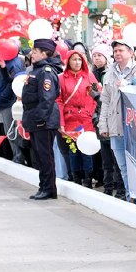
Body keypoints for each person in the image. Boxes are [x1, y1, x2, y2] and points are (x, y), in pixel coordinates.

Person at [97, 39, 136, 200]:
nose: (117, 53)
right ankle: (131, 197)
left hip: (135, 128)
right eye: (115, 51)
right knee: (123, 166)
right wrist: (103, 124)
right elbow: (106, 101)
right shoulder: (110, 72)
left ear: (130, 52)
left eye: (121, 50)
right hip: (115, 127)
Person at [23, 39, 63, 199]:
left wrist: (40, 119)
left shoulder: (46, 71)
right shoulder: (36, 70)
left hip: (43, 121)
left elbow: (47, 99)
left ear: (44, 53)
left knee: (45, 156)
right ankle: (43, 187)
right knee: (40, 155)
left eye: (35, 51)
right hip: (35, 118)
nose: (32, 54)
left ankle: (48, 189)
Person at [57, 50, 98, 185]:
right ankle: (76, 178)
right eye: (74, 59)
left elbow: (96, 97)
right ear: (68, 61)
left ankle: (87, 179)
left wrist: (90, 113)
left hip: (87, 119)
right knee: (73, 150)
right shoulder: (61, 78)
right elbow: (58, 101)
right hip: (70, 120)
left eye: (79, 59)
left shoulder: (89, 76)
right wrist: (61, 121)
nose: (77, 62)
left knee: (87, 151)